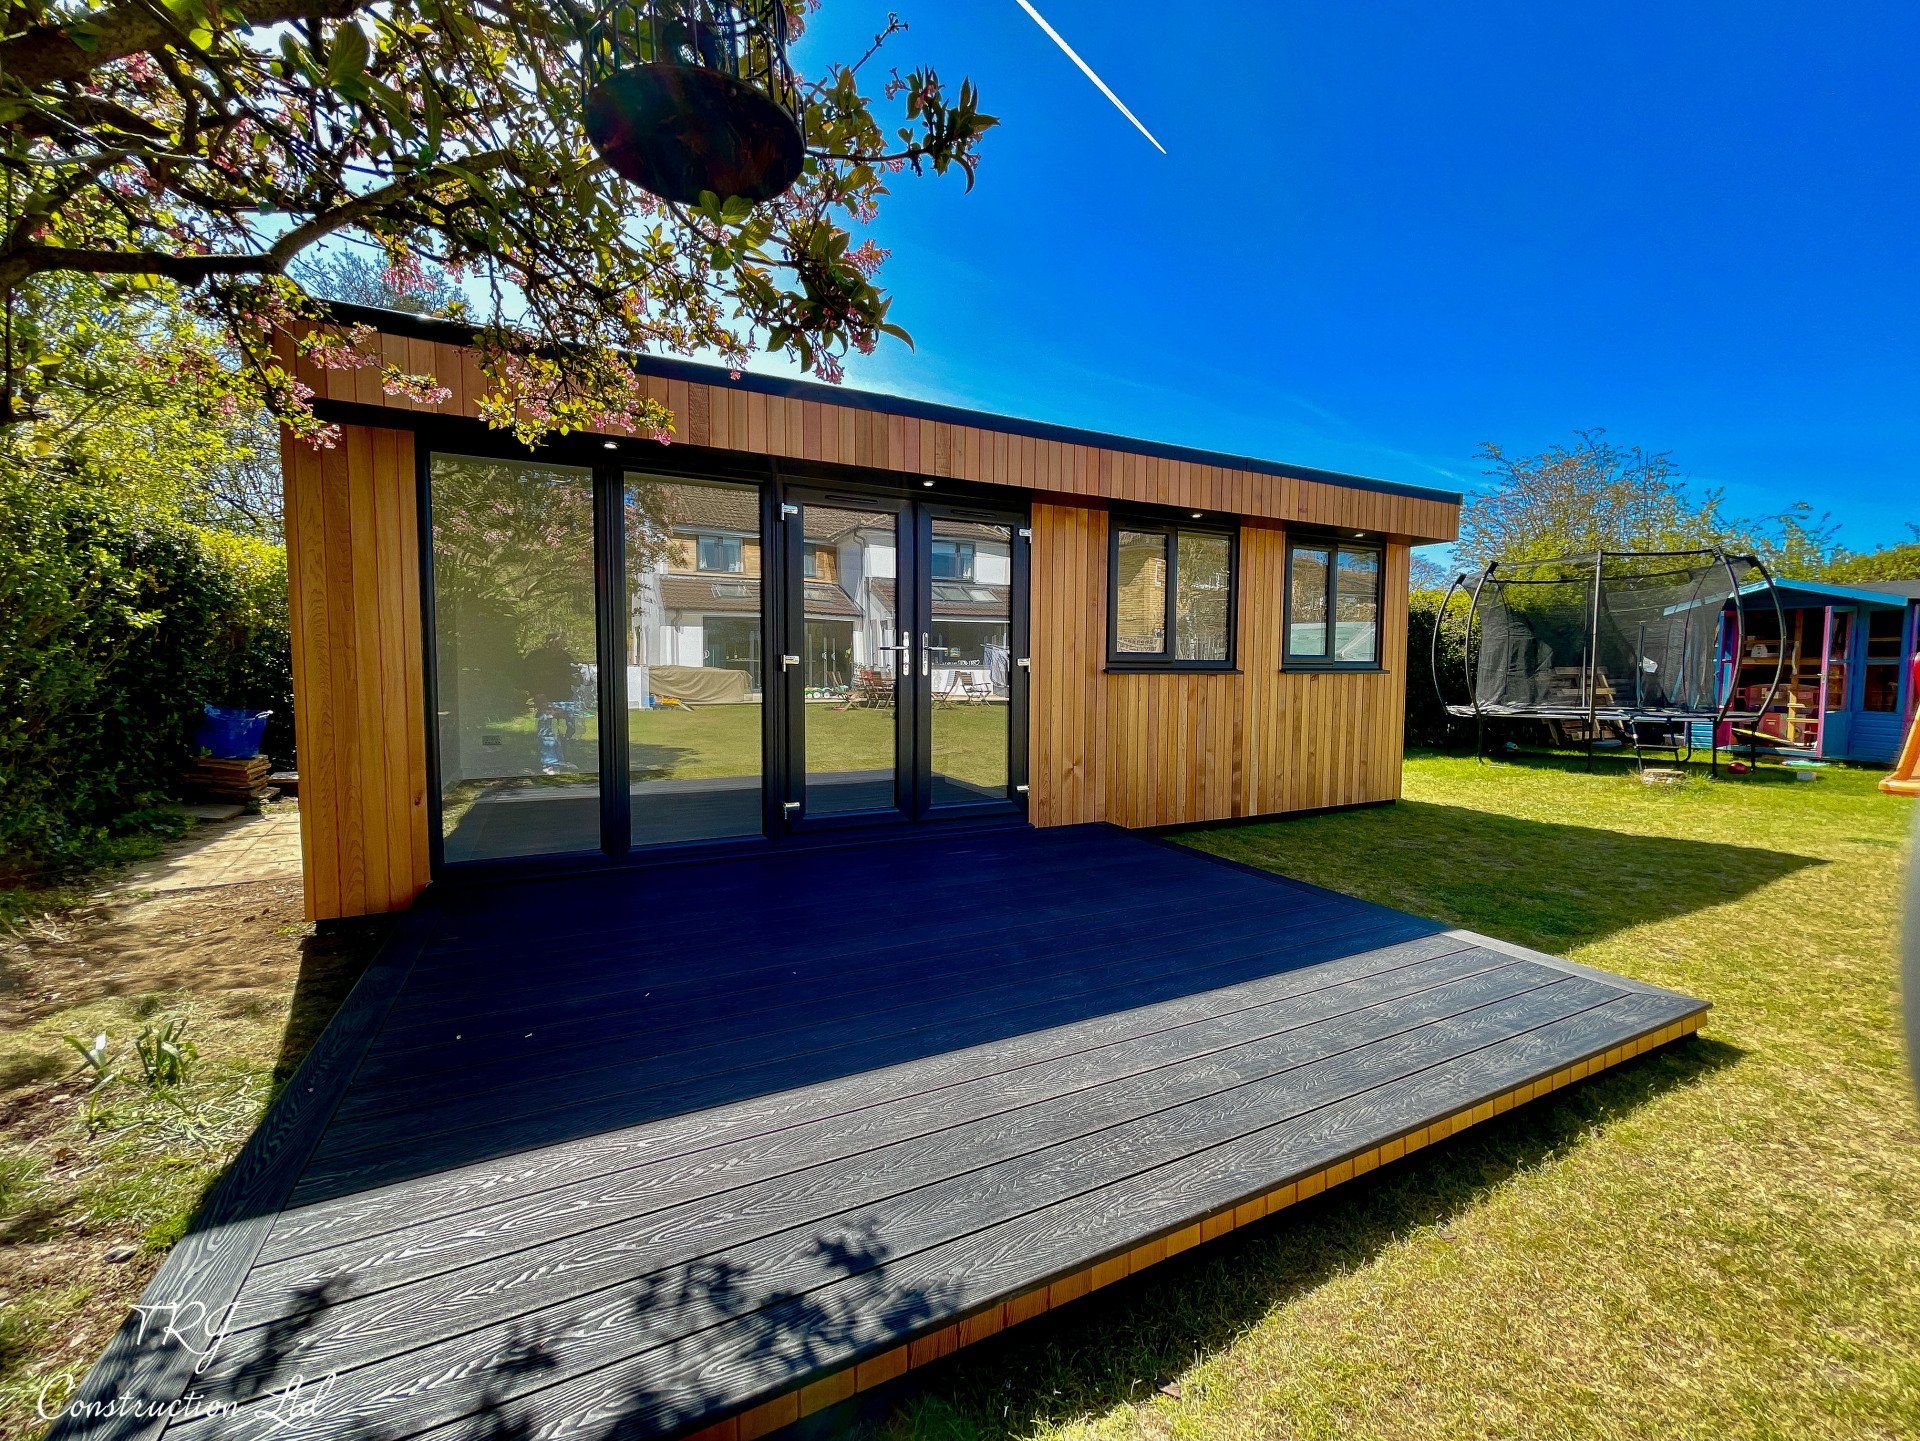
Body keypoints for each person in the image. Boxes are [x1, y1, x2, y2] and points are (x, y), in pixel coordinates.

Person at [523, 633, 576, 775]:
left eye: (559, 643)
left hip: (565, 699)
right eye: (552, 643)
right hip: (545, 699)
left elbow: (573, 679)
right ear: (546, 643)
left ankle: (563, 759)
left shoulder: (566, 658)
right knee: (547, 731)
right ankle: (550, 763)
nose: (555, 646)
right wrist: (539, 698)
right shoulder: (535, 658)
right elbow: (528, 679)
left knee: (570, 730)